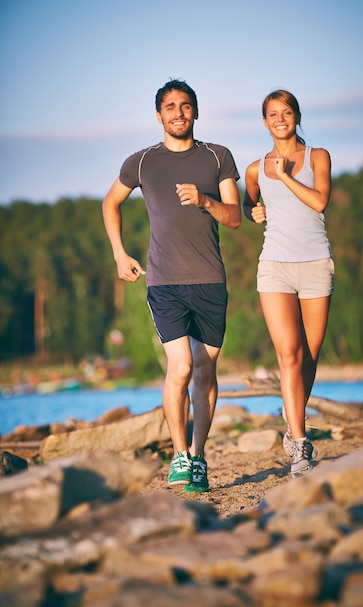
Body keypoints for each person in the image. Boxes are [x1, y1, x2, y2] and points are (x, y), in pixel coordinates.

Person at [102, 79, 241, 493]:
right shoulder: (141, 163)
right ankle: (179, 455)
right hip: (164, 282)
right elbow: (110, 202)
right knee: (180, 366)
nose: (178, 113)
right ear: (159, 115)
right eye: (169, 107)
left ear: (195, 112)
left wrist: (204, 201)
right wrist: (119, 254)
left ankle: (198, 456)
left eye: (185, 106)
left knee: (205, 369)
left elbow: (234, 217)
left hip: (210, 281)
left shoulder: (218, 157)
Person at [243, 89, 334, 478]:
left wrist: (282, 175)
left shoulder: (318, 156)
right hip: (275, 266)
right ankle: (299, 443)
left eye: (286, 112)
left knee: (309, 358)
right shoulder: (254, 169)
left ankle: (290, 420)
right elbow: (248, 205)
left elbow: (319, 202)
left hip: (316, 263)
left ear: (296, 116)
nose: (280, 119)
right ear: (264, 122)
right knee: (289, 356)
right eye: (272, 114)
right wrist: (254, 211)